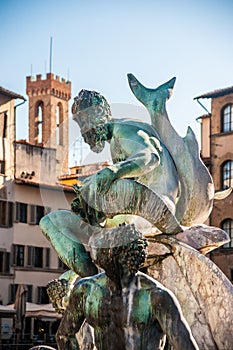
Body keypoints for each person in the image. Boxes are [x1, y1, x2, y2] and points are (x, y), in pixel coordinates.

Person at [55, 224, 199, 350]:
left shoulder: (156, 297)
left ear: (117, 255)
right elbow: (63, 335)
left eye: (104, 248)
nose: (97, 254)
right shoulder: (86, 290)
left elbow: (184, 345)